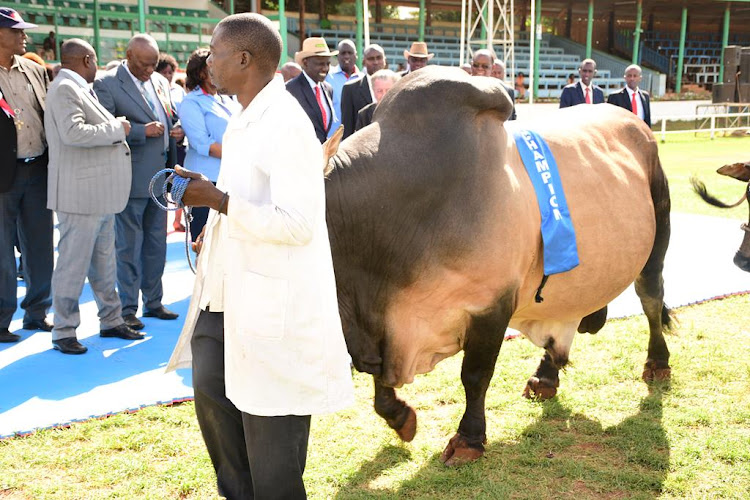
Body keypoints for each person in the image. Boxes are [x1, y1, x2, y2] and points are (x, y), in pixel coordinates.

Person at [165, 13, 354, 499]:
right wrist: (216, 222)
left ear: (244, 59)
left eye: (214, 51)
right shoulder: (244, 116)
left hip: (272, 303)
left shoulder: (286, 124)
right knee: (212, 395)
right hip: (225, 292)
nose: (207, 59)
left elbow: (296, 223)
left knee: (271, 446)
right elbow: (248, 197)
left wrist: (219, 201)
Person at [44, 39, 143, 355]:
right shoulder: (64, 89)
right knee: (73, 265)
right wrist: (118, 128)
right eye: (96, 60)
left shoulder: (76, 88)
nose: (97, 66)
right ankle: (63, 330)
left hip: (96, 193)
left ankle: (111, 320)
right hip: (79, 194)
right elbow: (73, 134)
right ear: (86, 59)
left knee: (104, 264)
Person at [94, 34, 183, 331]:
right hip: (130, 178)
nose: (149, 69)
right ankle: (128, 308)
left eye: (153, 64)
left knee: (157, 244)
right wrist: (142, 132)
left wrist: (174, 132)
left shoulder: (158, 80)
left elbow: (166, 117)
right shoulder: (106, 83)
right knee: (129, 247)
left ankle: (154, 301)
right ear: (129, 55)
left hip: (159, 178)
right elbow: (104, 128)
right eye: (144, 64)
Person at [0, 7, 54, 343]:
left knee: (40, 247)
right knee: (2, 252)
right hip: (3, 177)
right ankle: (2, 319)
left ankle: (37, 313)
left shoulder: (36, 70)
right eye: (17, 30)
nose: (25, 36)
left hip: (38, 169)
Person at [178, 47, 240, 240]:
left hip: (228, 180)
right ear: (200, 72)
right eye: (212, 65)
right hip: (205, 182)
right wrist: (243, 155)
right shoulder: (191, 102)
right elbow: (202, 143)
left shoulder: (226, 99)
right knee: (204, 242)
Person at [157, 52, 187, 232]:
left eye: (171, 72)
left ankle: (178, 219)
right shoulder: (154, 91)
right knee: (162, 187)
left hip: (177, 145)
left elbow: (181, 117)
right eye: (165, 72)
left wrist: (181, 130)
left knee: (179, 186)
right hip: (160, 146)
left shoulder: (178, 92)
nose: (168, 76)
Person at [286, 36, 336, 143]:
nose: (325, 68)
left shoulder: (328, 89)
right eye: (320, 64)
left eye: (328, 63)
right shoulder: (290, 90)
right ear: (305, 63)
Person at [340, 43, 386, 138]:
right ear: (364, 62)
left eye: (379, 58)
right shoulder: (350, 89)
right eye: (371, 59)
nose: (376, 62)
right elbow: (347, 128)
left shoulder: (396, 84)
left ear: (385, 60)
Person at [324, 39, 358, 137]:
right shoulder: (327, 78)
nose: (346, 56)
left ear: (356, 55)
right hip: (333, 138)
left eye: (350, 53)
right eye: (343, 53)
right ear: (338, 56)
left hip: (355, 137)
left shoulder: (362, 79)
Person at [471, 50, 516, 120]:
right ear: (471, 64)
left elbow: (511, 119)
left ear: (493, 67)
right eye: (476, 65)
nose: (479, 69)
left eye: (485, 66)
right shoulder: (460, 88)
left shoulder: (506, 90)